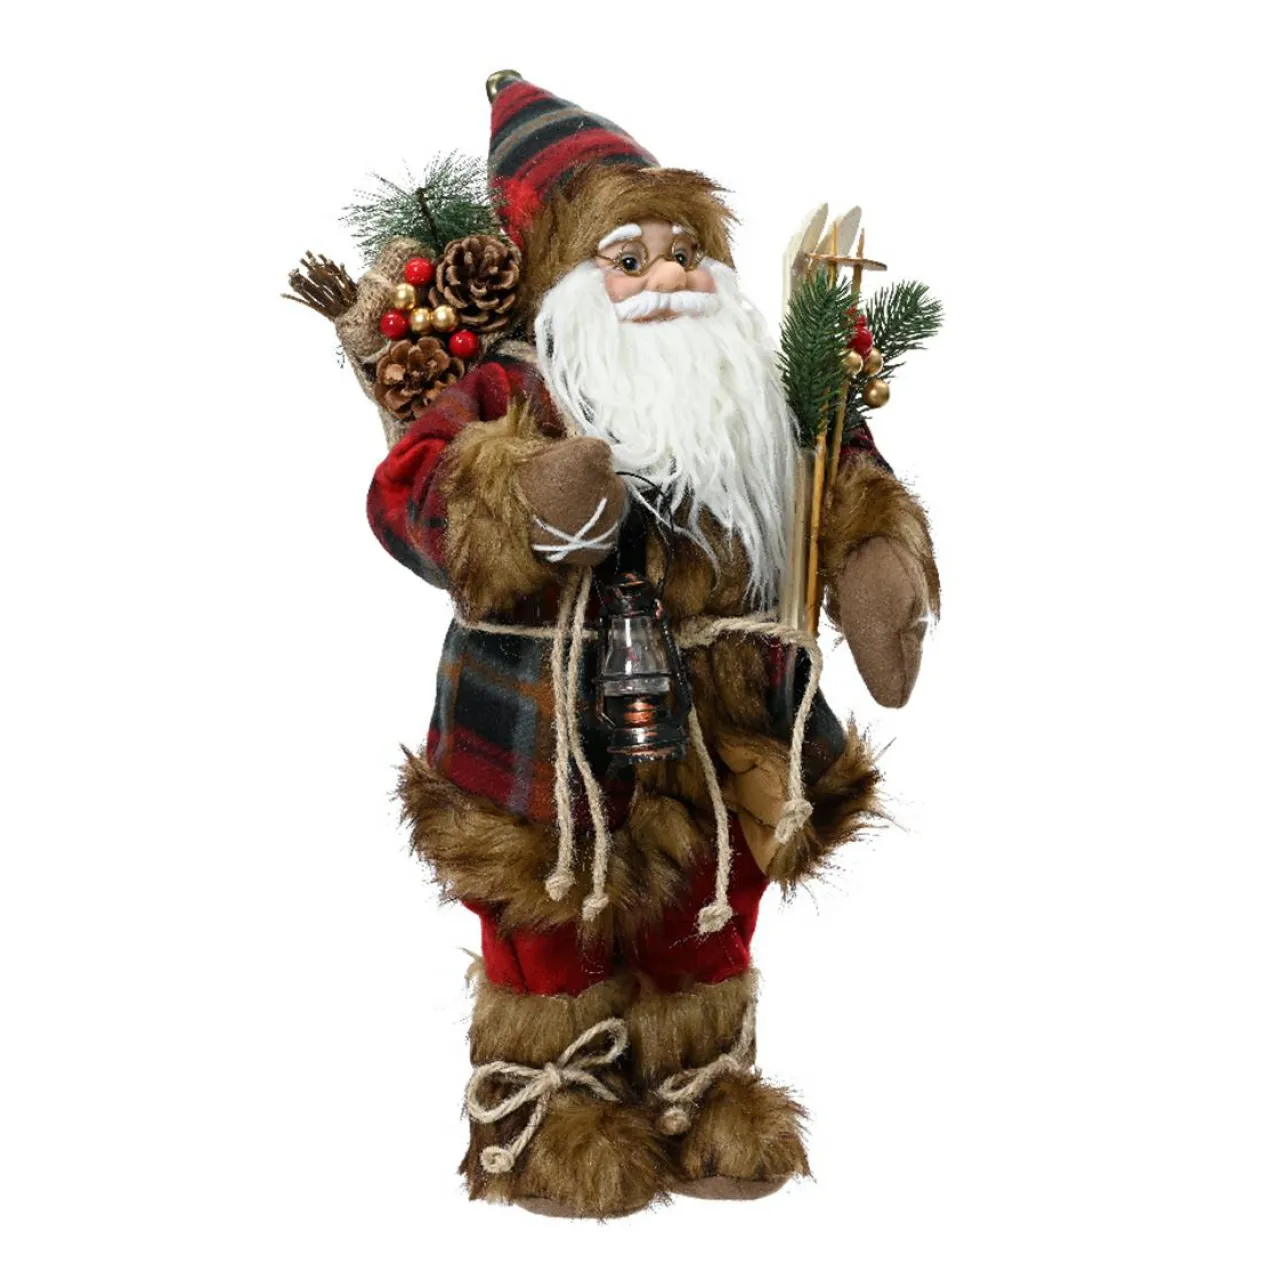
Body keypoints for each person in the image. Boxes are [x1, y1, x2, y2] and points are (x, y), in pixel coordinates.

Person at [367, 72, 939, 1217]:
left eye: (686, 250)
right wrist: (522, 497)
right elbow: (408, 493)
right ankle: (549, 1111)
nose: (668, 276)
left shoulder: (758, 389)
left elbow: (842, 471)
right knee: (554, 916)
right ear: (569, 280)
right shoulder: (514, 384)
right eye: (628, 257)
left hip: (723, 718)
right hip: (551, 730)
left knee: (708, 904)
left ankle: (702, 1085)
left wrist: (876, 564)